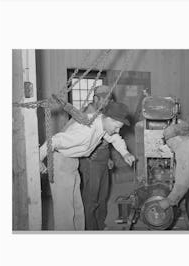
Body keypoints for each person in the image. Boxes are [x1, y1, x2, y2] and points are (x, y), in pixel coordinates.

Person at [39, 101, 135, 230]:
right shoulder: (86, 131)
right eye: (117, 126)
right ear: (107, 118)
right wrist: (38, 159)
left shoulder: (102, 124)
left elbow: (115, 137)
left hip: (72, 162)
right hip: (61, 162)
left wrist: (125, 153)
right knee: (65, 210)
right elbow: (55, 140)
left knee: (77, 207)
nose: (117, 130)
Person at [79, 85, 118, 230]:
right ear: (96, 98)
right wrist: (88, 153)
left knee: (102, 197)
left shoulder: (102, 113)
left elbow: (107, 137)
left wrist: (107, 157)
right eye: (105, 100)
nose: (107, 103)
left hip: (102, 159)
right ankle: (91, 229)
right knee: (91, 199)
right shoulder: (85, 114)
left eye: (109, 100)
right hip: (90, 161)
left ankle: (100, 225)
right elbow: (79, 140)